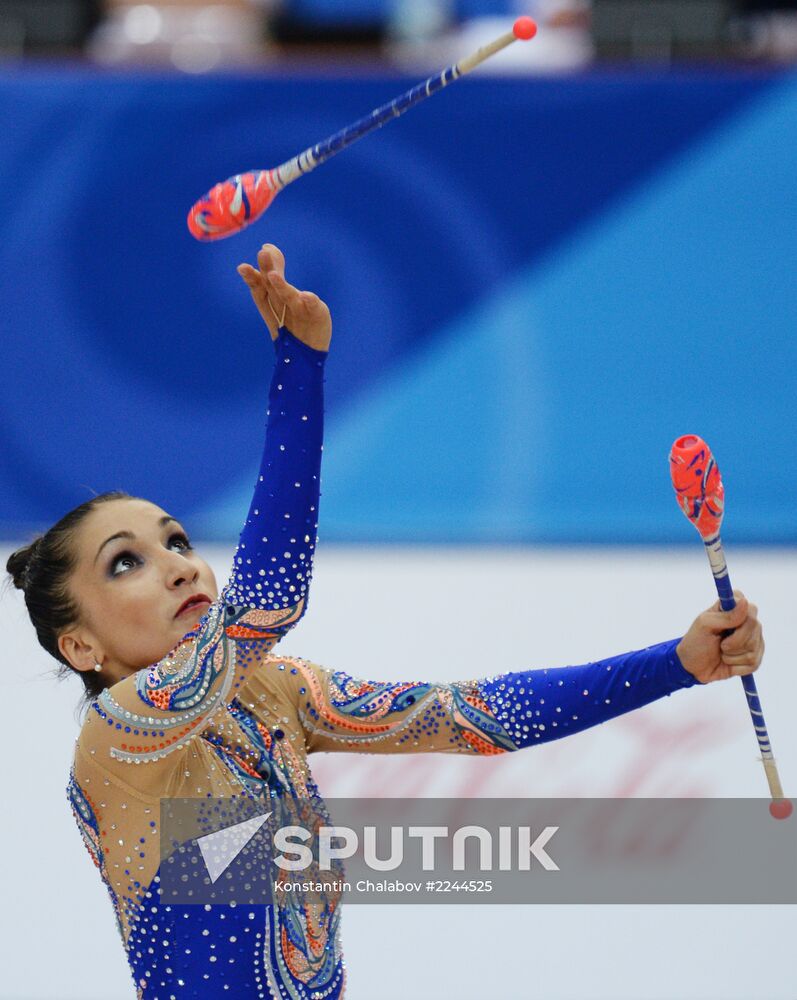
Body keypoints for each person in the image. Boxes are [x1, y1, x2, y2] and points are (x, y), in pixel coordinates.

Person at [6, 244, 764, 1000]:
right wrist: (298, 371)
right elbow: (269, 599)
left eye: (176, 540)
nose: (177, 564)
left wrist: (679, 661)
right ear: (80, 644)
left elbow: (479, 716)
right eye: (125, 563)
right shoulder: (121, 739)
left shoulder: (277, 696)